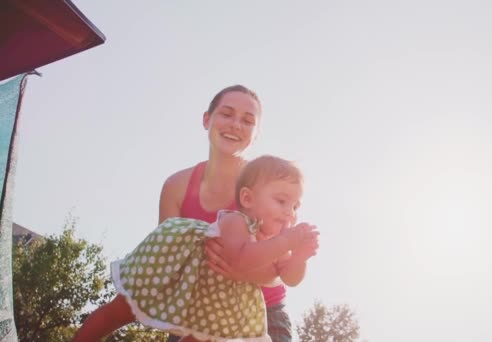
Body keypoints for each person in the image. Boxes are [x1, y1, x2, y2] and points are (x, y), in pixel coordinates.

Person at [73, 155, 319, 341]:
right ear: (247, 199)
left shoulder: (278, 239)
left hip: (217, 309)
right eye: (281, 201)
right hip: (183, 278)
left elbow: (290, 277)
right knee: (121, 310)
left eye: (296, 206)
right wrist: (286, 243)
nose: (290, 211)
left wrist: (300, 257)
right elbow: (240, 259)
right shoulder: (236, 221)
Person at [159, 85, 299, 341]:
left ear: (255, 134)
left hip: (263, 316)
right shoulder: (176, 186)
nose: (236, 124)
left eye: (247, 120)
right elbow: (168, 260)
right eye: (226, 114)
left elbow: (280, 268)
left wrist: (240, 270)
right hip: (195, 317)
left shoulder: (269, 187)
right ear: (206, 119)